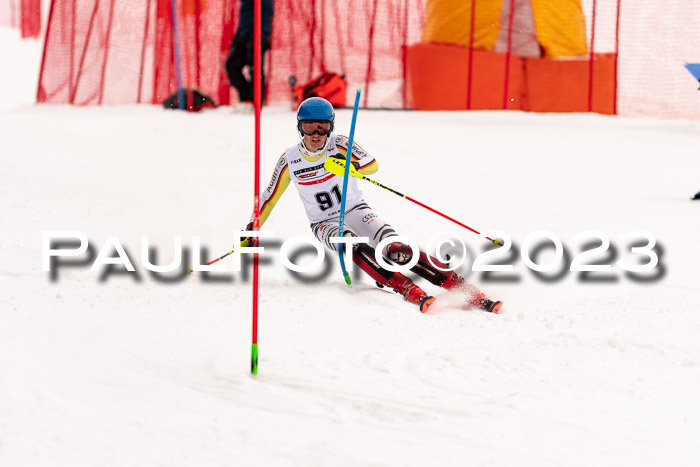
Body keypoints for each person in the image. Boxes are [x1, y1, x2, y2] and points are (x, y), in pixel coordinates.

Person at [238, 97, 502, 314]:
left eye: (322, 128)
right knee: (352, 244)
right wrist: (252, 228)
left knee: (396, 248)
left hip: (356, 210)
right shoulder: (290, 160)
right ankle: (404, 287)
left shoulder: (340, 144)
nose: (316, 135)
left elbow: (372, 165)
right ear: (299, 128)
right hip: (324, 223)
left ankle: (465, 290)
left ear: (330, 127)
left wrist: (349, 166)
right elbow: (269, 197)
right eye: (309, 128)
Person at [225, 0, 274, 113]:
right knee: (232, 66)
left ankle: (255, 103)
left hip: (259, 31)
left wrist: (264, 33)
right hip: (244, 34)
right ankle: (246, 99)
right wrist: (236, 40)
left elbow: (267, 10)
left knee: (255, 67)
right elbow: (243, 21)